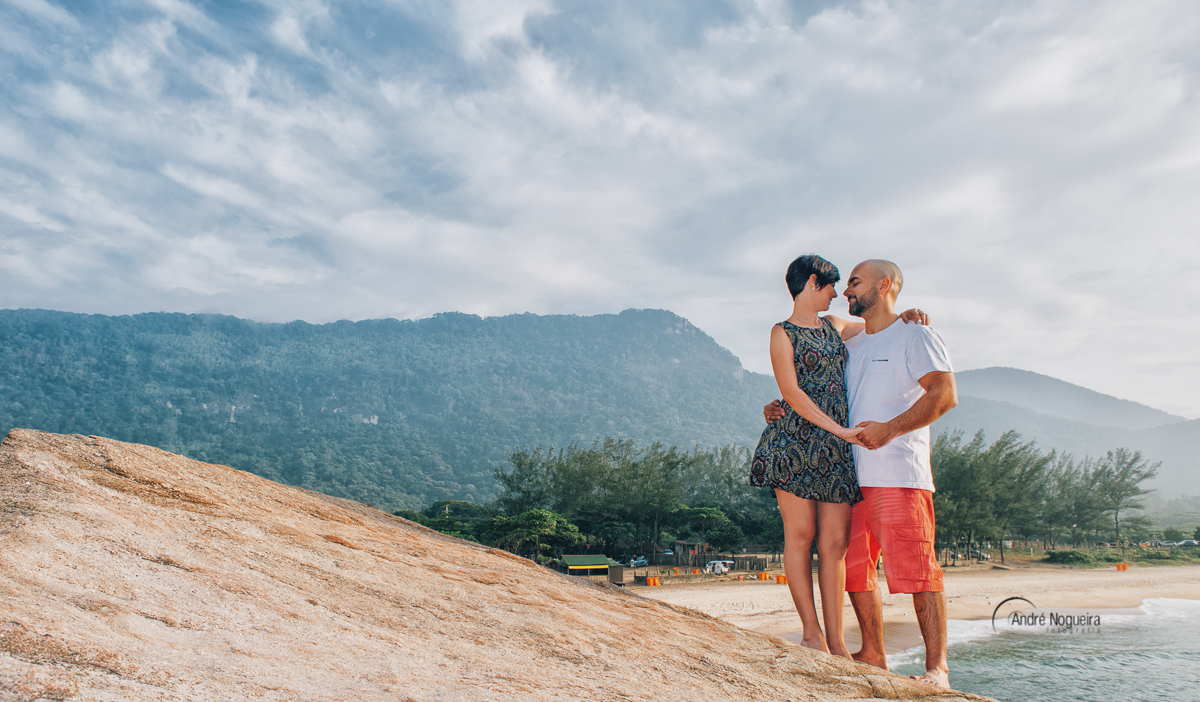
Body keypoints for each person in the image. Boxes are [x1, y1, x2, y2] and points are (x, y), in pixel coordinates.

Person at [763, 259, 957, 689]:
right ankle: (870, 652)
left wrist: (889, 430)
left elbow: (944, 394)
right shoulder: (844, 336)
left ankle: (937, 669)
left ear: (884, 285)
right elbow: (803, 380)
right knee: (851, 565)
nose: (844, 291)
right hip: (846, 467)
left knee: (917, 569)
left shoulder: (907, 333)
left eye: (853, 283)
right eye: (840, 284)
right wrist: (777, 406)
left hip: (895, 471)